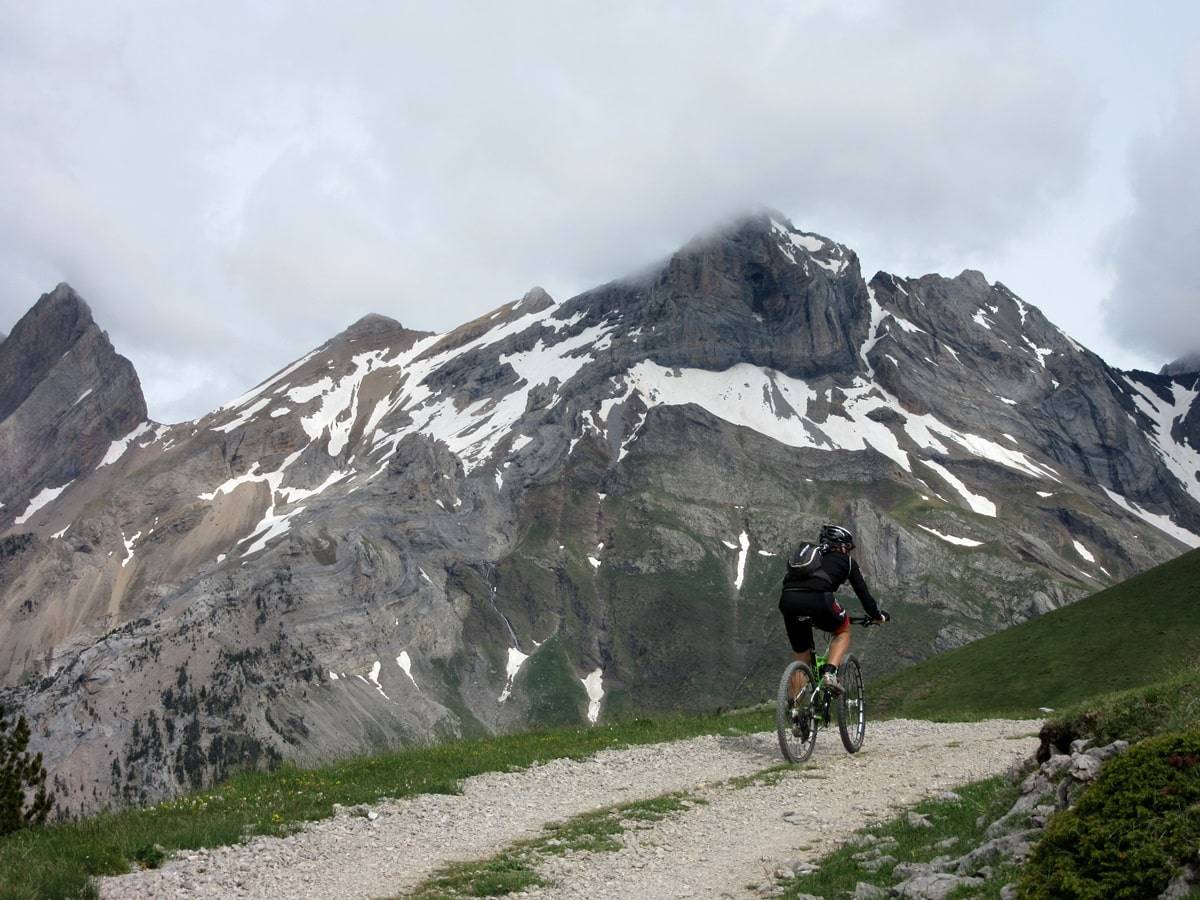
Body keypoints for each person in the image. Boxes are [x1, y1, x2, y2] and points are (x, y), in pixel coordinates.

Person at [778, 524, 888, 694]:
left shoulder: (810, 557)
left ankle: (793, 712)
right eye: (848, 548)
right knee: (842, 629)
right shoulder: (848, 561)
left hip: (788, 600)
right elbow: (864, 596)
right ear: (843, 545)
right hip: (819, 600)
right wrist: (878, 616)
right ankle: (830, 674)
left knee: (802, 658)